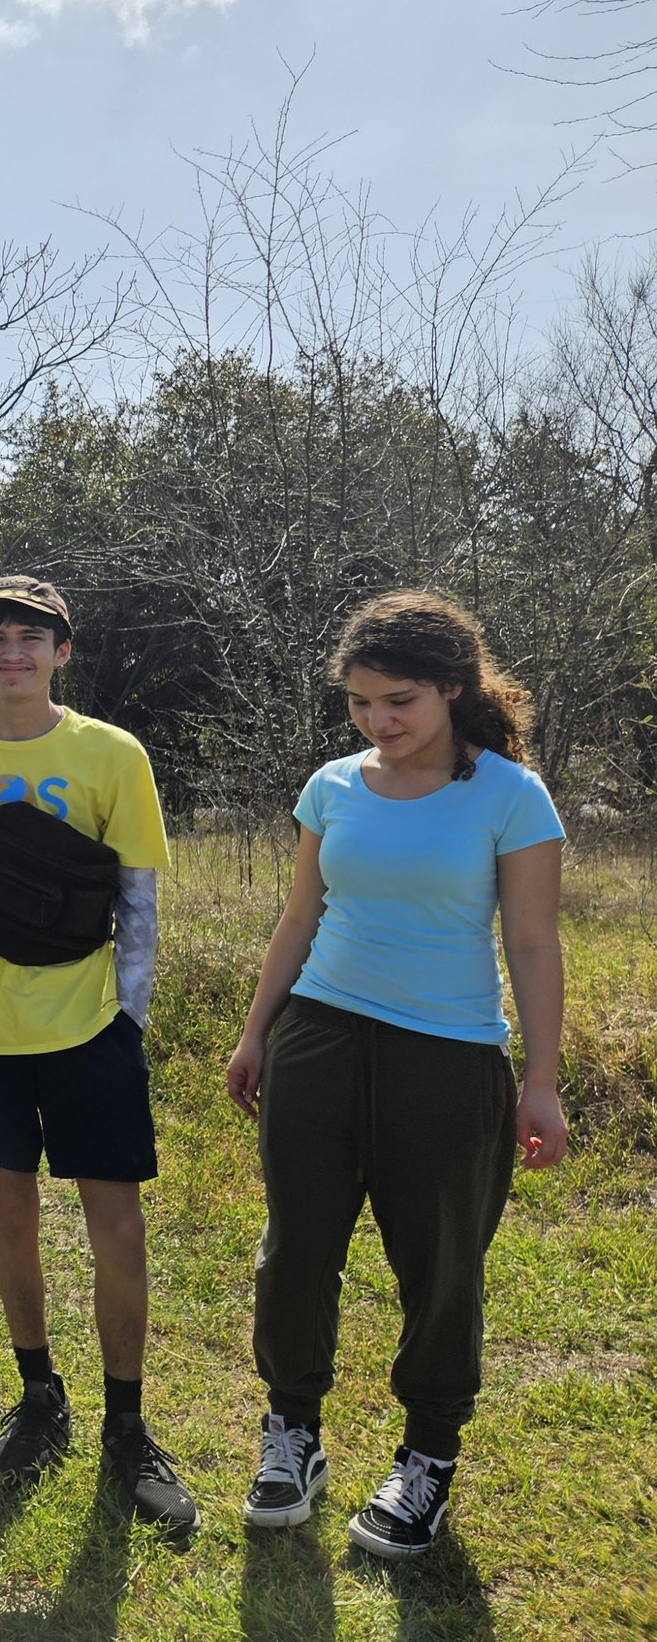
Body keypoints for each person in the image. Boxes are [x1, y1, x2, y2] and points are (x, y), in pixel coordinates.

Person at [226, 591, 567, 1559]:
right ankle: (292, 1429)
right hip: (318, 1040)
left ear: (453, 689)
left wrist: (538, 1082)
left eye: (400, 701)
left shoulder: (507, 794)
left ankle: (427, 1458)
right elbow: (298, 918)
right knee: (296, 1248)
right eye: (361, 702)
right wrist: (257, 1033)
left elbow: (535, 944)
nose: (379, 721)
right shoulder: (332, 785)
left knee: (438, 1266)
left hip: (447, 1057)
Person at [0, 575, 196, 1533]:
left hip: (92, 1029)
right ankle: (40, 1394)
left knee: (117, 1227)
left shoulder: (112, 754)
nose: (12, 653)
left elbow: (138, 902)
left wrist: (127, 1021)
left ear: (63, 651)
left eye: (31, 637)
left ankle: (127, 1424)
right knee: (7, 1213)